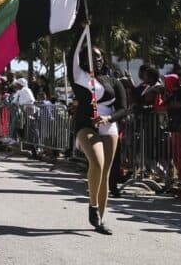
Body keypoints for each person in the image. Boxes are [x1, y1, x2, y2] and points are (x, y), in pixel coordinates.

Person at [71, 23, 129, 235]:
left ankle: (99, 220)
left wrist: (109, 117)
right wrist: (82, 30)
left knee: (105, 173)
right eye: (89, 56)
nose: (94, 59)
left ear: (103, 59)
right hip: (86, 124)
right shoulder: (79, 76)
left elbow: (124, 108)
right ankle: (93, 206)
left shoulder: (113, 80)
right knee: (96, 162)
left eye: (98, 56)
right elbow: (72, 55)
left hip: (109, 126)